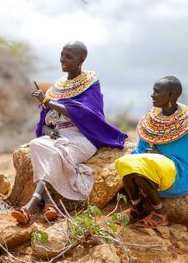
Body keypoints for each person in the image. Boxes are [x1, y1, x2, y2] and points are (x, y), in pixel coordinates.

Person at [11, 41, 127, 225]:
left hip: (83, 137)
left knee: (56, 153)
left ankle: (30, 206)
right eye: (62, 55)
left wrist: (47, 101)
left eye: (69, 56)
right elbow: (47, 120)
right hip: (58, 137)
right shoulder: (57, 86)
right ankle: (49, 204)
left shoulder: (91, 82)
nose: (63, 60)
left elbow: (85, 113)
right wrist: (51, 130)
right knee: (36, 144)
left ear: (81, 59)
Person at [115, 76, 188, 228]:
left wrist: (156, 158)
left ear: (171, 95)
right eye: (153, 91)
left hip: (180, 173)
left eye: (157, 92)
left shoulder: (185, 122)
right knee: (125, 164)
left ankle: (160, 213)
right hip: (157, 167)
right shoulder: (151, 119)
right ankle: (137, 208)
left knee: (142, 169)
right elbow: (141, 149)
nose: (152, 95)